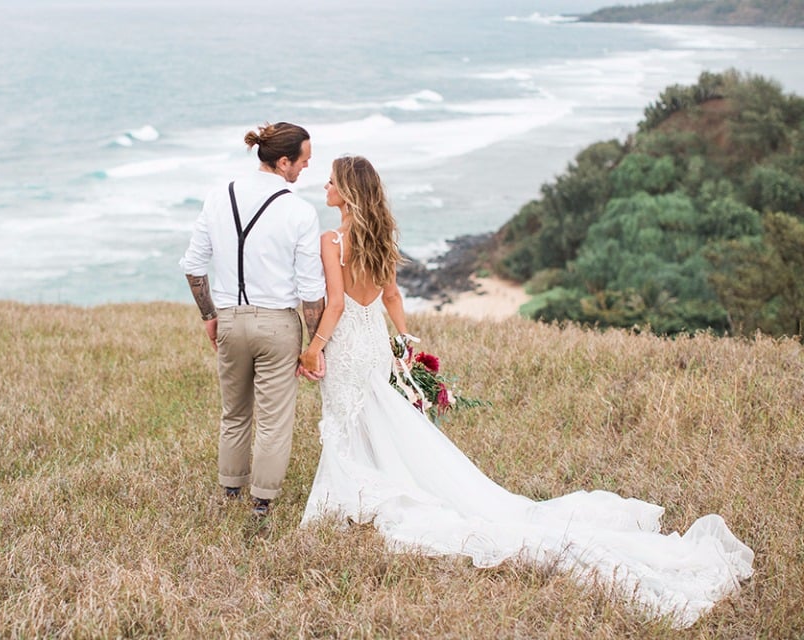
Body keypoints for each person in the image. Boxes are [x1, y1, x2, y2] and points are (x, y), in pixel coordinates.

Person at [297, 155, 754, 628]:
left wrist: (314, 348)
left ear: (347, 193)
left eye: (331, 181)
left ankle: (352, 495)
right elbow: (391, 296)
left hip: (349, 343)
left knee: (351, 416)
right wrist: (405, 342)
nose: (325, 186)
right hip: (373, 343)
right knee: (374, 414)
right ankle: (368, 483)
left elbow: (334, 304)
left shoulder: (332, 241)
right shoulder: (380, 241)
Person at [180, 122, 326, 517]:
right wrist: (315, 345)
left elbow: (194, 266)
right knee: (274, 418)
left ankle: (230, 490)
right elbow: (311, 289)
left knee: (235, 411)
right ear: (283, 161)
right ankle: (261, 501)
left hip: (229, 319)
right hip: (278, 324)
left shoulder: (218, 196)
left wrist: (210, 315)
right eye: (304, 161)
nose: (306, 169)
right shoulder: (299, 211)